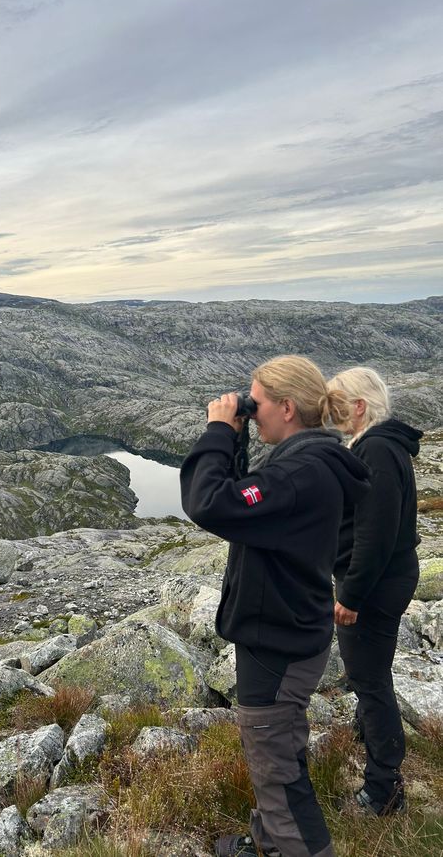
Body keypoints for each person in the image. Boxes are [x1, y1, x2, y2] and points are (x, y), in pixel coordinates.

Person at [180, 355, 370, 857]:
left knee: (277, 770)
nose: (250, 408)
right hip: (285, 632)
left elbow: (209, 504)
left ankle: (294, 845)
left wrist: (219, 430)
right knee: (278, 752)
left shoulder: (299, 473)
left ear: (287, 408)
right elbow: (243, 508)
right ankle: (267, 842)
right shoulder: (305, 463)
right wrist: (239, 435)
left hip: (278, 642)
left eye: (256, 401)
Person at [327, 367, 422, 817]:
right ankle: (371, 745)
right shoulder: (378, 446)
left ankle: (383, 790)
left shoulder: (378, 451)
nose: (330, 411)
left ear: (359, 406)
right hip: (385, 579)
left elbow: (376, 534)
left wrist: (352, 596)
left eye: (337, 402)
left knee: (371, 682)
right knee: (370, 674)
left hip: (375, 586)